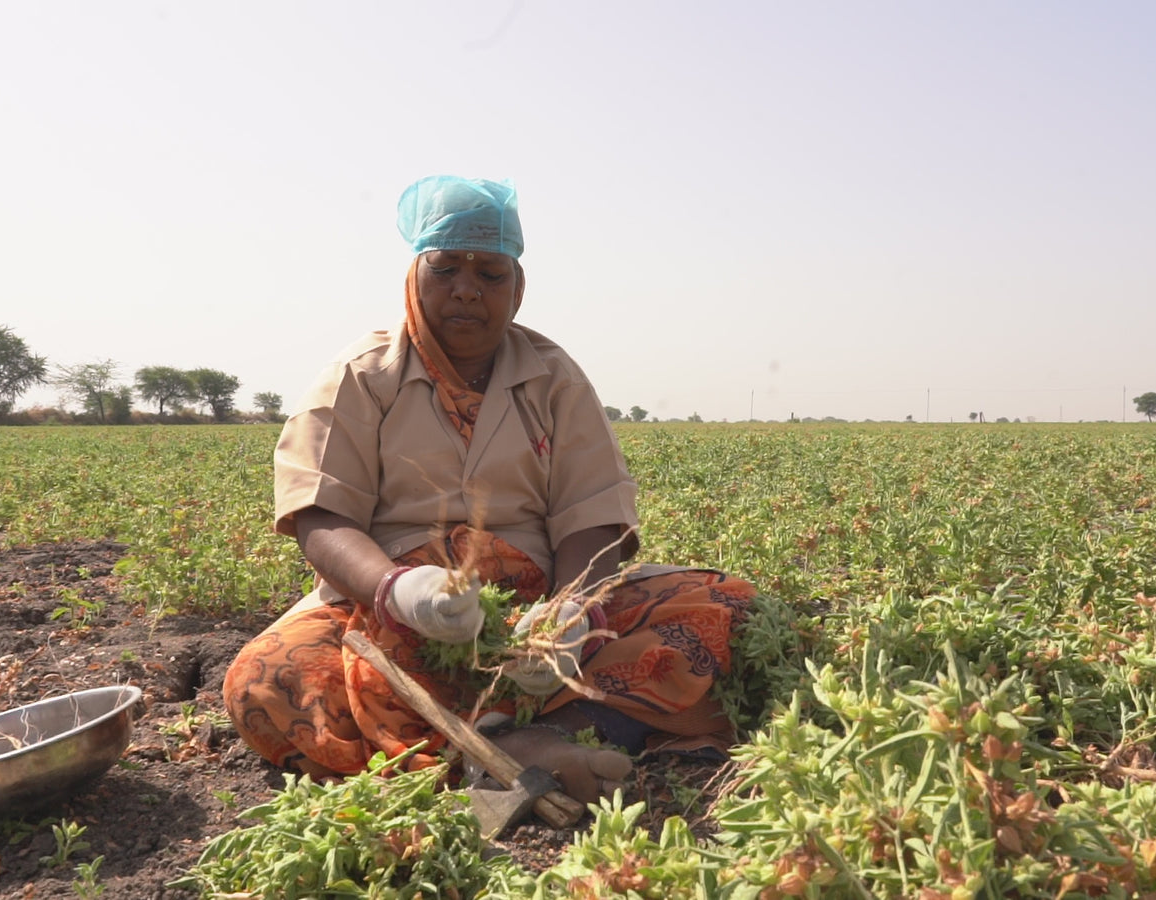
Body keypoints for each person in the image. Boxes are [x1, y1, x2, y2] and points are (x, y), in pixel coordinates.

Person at [222, 176, 756, 804]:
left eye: (490, 273)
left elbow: (591, 512)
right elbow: (321, 511)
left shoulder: (554, 378)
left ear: (517, 288)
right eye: (445, 268)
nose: (467, 290)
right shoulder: (362, 377)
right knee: (266, 681)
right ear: (413, 276)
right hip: (390, 610)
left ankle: (539, 736)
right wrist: (400, 590)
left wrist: (570, 611)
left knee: (729, 608)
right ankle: (525, 743)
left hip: (535, 614)